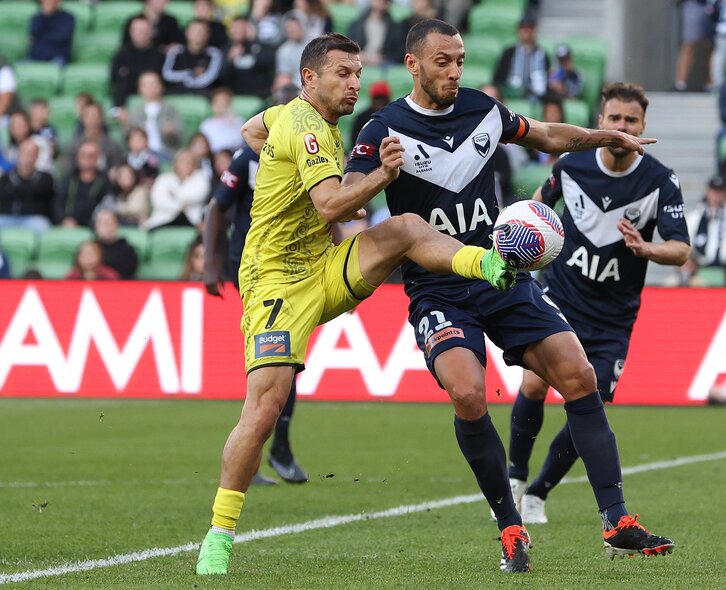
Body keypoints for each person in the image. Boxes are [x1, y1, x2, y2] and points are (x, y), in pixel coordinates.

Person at [345, 20, 673, 572]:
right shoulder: (382, 130)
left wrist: (604, 138)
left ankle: (616, 521)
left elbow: (547, 135)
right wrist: (379, 178)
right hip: (438, 288)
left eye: (460, 59)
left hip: (501, 274)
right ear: (413, 65)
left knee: (579, 376)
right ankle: (511, 527)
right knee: (470, 395)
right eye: (443, 61)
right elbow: (348, 204)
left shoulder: (484, 110)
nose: (454, 70)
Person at [195, 32, 520, 576]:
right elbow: (328, 207)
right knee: (266, 407)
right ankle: (219, 534)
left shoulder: (290, 118)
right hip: (276, 284)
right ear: (310, 78)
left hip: (322, 268)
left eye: (357, 72)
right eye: (343, 73)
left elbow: (255, 129)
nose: (354, 83)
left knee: (406, 228)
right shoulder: (307, 129)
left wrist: (269, 143)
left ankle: (484, 263)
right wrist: (383, 176)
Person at [503, 82, 691, 525]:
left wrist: (647, 250)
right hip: (560, 298)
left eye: (631, 120)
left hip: (613, 318)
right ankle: (514, 477)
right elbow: (537, 207)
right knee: (533, 384)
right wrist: (525, 245)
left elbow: (680, 250)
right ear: (600, 122)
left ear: (643, 126)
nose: (622, 127)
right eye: (615, 119)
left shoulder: (660, 180)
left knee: (590, 403)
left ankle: (539, 492)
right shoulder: (572, 164)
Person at [202, 83, 308, 487]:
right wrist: (210, 264)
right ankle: (268, 450)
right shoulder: (249, 157)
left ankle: (274, 447)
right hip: (254, 267)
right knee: (278, 358)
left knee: (285, 359)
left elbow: (325, 208)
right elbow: (217, 208)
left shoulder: (309, 151)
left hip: (297, 266)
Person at [686, 175, 726, 268]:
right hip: (699, 267)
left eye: (721, 191)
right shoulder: (694, 216)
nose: (717, 195)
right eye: (714, 191)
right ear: (707, 192)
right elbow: (687, 244)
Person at [142, 149, 211, 230]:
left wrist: (175, 195)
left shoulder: (201, 178)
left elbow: (198, 196)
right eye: (183, 161)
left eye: (190, 161)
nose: (187, 164)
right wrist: (181, 207)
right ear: (176, 163)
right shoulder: (164, 179)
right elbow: (158, 200)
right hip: (162, 221)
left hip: (191, 222)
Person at [111, 16, 166, 112]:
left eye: (144, 30)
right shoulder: (122, 53)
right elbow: (114, 77)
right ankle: (119, 110)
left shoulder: (159, 53)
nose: (141, 33)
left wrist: (129, 72)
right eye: (137, 30)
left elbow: (159, 75)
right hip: (127, 89)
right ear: (131, 32)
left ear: (151, 32)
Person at [125, 72, 183, 161]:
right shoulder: (136, 112)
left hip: (165, 153)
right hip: (140, 154)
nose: (151, 87)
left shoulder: (170, 110)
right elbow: (127, 138)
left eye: (154, 83)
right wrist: (125, 124)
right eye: (146, 85)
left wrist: (170, 133)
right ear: (140, 89)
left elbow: (180, 137)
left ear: (161, 86)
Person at [0, 139, 54, 233]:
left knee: (43, 227)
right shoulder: (6, 177)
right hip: (7, 217)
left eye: (32, 154)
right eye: (24, 153)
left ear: (37, 156)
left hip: (34, 219)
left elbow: (50, 203)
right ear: (18, 155)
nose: (28, 158)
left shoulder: (46, 179)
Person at [493, 15, 550, 100]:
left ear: (535, 29)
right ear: (518, 30)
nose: (526, 30)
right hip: (511, 95)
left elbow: (547, 79)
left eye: (530, 27)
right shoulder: (508, 52)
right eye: (523, 27)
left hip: (537, 97)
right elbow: (498, 78)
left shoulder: (543, 54)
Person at [161, 19, 225, 96]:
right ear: (187, 33)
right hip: (177, 93)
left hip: (202, 95)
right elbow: (167, 74)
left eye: (203, 32)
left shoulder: (214, 54)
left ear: (208, 35)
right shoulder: (175, 51)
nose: (199, 34)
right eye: (195, 31)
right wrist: (190, 73)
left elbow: (210, 77)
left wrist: (189, 82)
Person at [55, 142, 111, 227]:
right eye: (83, 155)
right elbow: (57, 203)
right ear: (77, 157)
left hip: (93, 226)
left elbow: (106, 205)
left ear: (97, 158)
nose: (86, 159)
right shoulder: (68, 178)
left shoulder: (104, 181)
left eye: (91, 156)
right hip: (66, 225)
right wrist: (63, 219)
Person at [222, 17, 276, 99]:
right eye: (234, 28)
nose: (236, 31)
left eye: (240, 28)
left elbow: (269, 62)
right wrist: (229, 59)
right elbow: (221, 76)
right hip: (236, 96)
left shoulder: (258, 46)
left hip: (258, 96)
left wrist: (254, 40)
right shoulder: (228, 49)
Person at [346, 0, 403, 66]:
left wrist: (383, 57)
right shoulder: (357, 24)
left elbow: (399, 52)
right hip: (359, 60)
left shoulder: (394, 26)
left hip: (382, 64)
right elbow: (348, 47)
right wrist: (359, 55)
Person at [93, 208, 139, 279]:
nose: (106, 227)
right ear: (96, 226)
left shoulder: (127, 250)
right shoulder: (90, 248)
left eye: (108, 222)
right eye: (101, 223)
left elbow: (128, 273)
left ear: (116, 225)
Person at [27, 0, 75, 66]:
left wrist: (40, 39)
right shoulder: (37, 17)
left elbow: (63, 38)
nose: (48, 2)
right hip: (36, 56)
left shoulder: (68, 18)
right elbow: (32, 36)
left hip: (57, 56)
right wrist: (45, 15)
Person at [199, 88, 245, 153]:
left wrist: (231, 125)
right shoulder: (206, 124)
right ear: (212, 105)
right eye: (217, 101)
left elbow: (239, 143)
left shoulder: (239, 121)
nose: (221, 105)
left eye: (225, 102)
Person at [349, 81, 392, 146]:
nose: (380, 102)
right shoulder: (362, 117)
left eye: (383, 98)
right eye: (377, 98)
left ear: (388, 99)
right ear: (372, 99)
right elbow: (354, 143)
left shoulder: (396, 116)